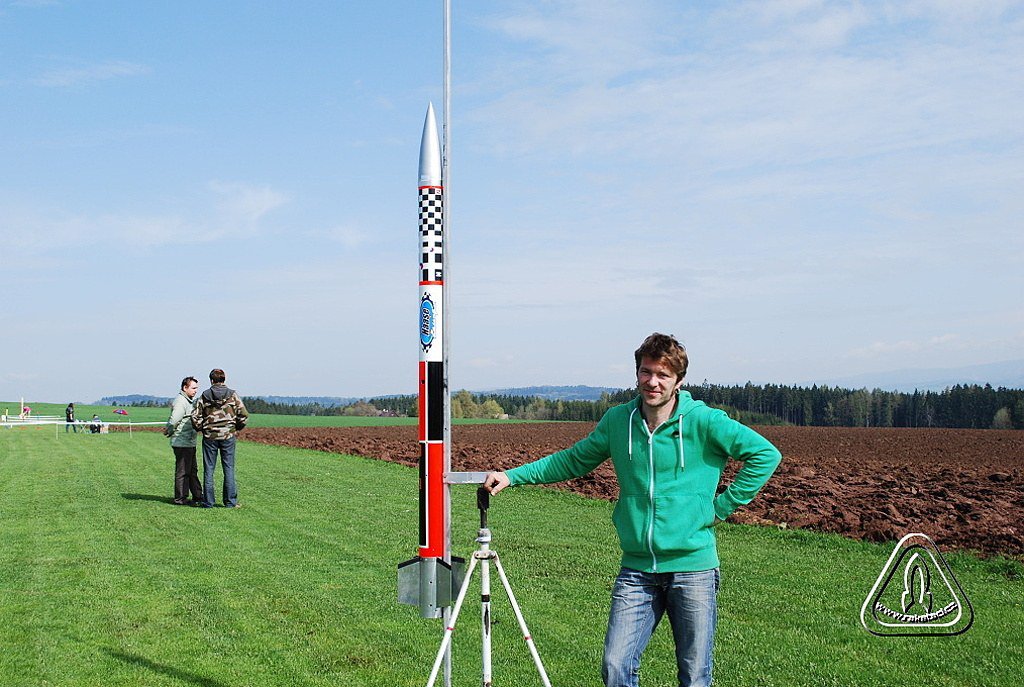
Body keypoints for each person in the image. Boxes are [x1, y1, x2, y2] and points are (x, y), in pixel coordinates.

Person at [483, 333, 782, 687]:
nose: (652, 382)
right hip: (637, 568)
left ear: (678, 381)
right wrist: (513, 476)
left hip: (693, 569)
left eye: (662, 375)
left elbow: (765, 455)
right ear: (637, 373)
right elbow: (574, 460)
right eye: (646, 372)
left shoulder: (704, 421)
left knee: (695, 673)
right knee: (615, 665)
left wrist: (721, 508)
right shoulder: (617, 421)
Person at [191, 368, 249, 508]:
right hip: (228, 436)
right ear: (224, 379)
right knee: (228, 468)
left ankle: (208, 502)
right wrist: (235, 428)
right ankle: (230, 502)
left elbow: (195, 416)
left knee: (209, 469)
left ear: (211, 380)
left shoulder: (205, 395)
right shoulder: (233, 395)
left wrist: (201, 428)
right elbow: (244, 415)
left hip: (210, 436)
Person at [165, 376, 203, 505]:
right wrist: (169, 430)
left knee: (192, 470)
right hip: (182, 442)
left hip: (188, 441)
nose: (195, 391)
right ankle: (180, 498)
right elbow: (174, 420)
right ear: (185, 388)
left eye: (196, 388)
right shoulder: (181, 401)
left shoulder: (188, 401)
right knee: (183, 471)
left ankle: (198, 496)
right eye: (193, 388)